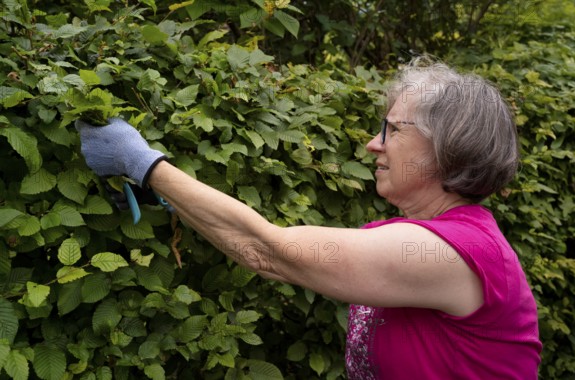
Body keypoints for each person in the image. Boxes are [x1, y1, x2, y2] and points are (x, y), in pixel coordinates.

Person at [77, 60, 542, 379]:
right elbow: (257, 251)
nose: (372, 144)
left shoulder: (454, 253)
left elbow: (269, 251)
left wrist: (143, 162)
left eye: (392, 130)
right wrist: (169, 193)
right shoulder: (421, 238)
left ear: (449, 147)